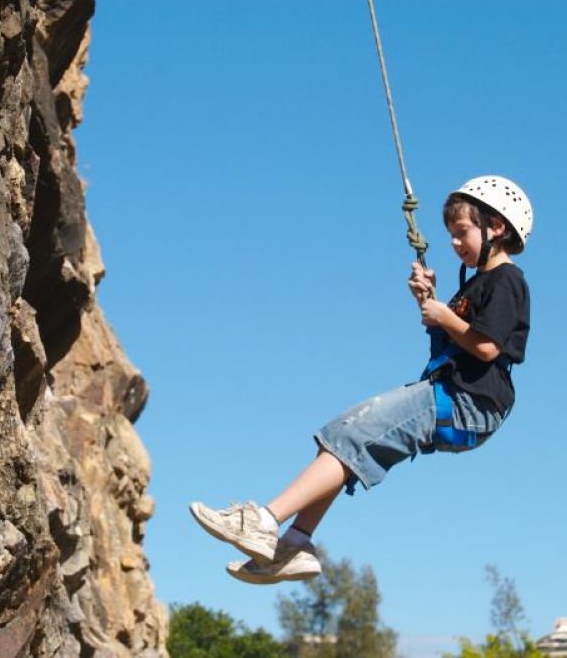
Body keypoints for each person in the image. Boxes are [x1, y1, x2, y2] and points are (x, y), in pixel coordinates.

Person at [190, 175, 533, 584]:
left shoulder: (508, 280)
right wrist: (429, 304)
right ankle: (296, 543)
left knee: (354, 435)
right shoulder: (476, 283)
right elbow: (453, 343)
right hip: (452, 395)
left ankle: (264, 521)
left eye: (462, 233)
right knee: (345, 433)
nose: (455, 244)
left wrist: (443, 314)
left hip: (468, 402)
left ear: (496, 227)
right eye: (451, 236)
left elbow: (488, 347)